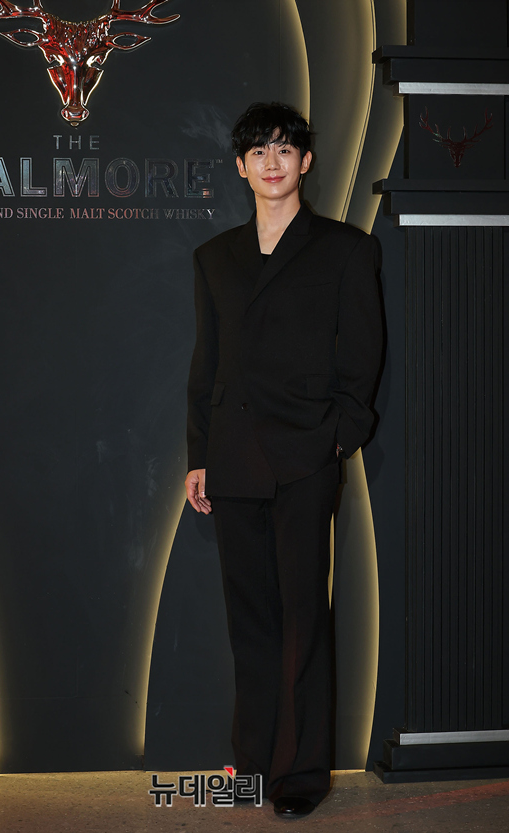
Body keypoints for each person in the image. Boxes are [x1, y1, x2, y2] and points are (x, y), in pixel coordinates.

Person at [185, 102, 382, 818]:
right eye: (259, 151)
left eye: (285, 149)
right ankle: (255, 764)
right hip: (233, 459)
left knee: (303, 618)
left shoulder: (345, 250)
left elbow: (364, 359)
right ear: (241, 167)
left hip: (305, 459)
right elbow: (207, 365)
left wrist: (337, 437)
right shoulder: (215, 257)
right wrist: (199, 455)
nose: (272, 162)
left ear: (306, 161)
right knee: (251, 622)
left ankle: (301, 775)